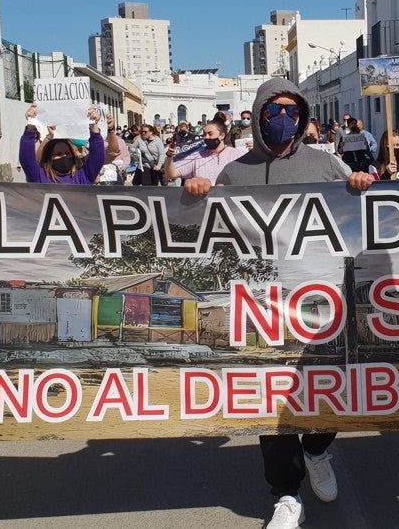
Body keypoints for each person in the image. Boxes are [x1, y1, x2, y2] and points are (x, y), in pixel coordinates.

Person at [188, 78, 375, 529]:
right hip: (265, 303)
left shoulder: (325, 163)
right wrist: (194, 193)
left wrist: (358, 181)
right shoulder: (236, 172)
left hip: (321, 298)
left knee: (325, 384)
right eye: (274, 110)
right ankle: (287, 495)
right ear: (257, 114)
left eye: (292, 110)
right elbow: (210, 232)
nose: (283, 119)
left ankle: (316, 450)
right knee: (270, 402)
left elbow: (357, 214)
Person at [20, 109, 109, 185]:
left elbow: (98, 157)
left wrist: (93, 126)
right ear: (49, 158)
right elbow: (26, 158)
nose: (64, 156)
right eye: (58, 154)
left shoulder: (83, 176)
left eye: (67, 153)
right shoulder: (39, 177)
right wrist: (31, 124)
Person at [163, 121, 244, 184]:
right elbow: (171, 174)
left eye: (210, 134)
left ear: (222, 135)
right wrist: (169, 156)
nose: (206, 137)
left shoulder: (238, 155)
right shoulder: (196, 157)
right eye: (204, 134)